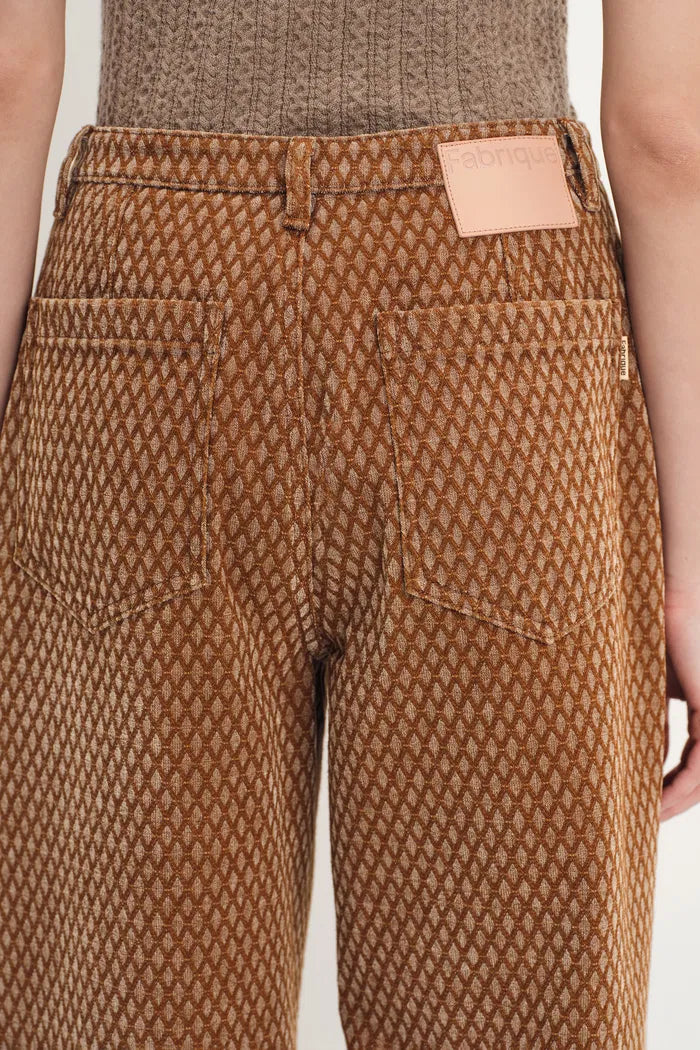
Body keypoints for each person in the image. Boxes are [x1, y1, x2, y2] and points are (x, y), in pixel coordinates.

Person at [0, 1, 698, 1048]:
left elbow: (9, 75)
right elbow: (666, 130)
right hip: (501, 319)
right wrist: (688, 579)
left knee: (121, 1001)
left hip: (147, 304)